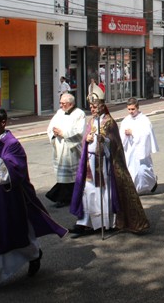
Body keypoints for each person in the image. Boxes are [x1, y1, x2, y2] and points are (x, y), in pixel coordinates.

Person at [0, 107, 67, 292]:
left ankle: (34, 254)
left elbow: (13, 172)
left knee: (14, 233)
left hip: (9, 199)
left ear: (3, 122)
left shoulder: (12, 144)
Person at [69, 99, 150, 236]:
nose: (92, 109)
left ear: (102, 107)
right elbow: (85, 138)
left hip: (104, 163)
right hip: (90, 161)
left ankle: (105, 223)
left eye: (95, 107)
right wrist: (87, 139)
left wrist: (105, 140)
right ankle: (83, 223)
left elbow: (115, 142)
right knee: (87, 191)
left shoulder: (109, 122)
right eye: (91, 107)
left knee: (103, 192)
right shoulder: (91, 121)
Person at [45, 93, 86, 208]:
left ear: (71, 104)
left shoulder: (79, 114)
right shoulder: (59, 113)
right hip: (59, 146)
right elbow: (50, 127)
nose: (61, 105)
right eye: (60, 103)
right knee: (62, 176)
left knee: (70, 176)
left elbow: (80, 132)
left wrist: (63, 133)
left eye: (63, 103)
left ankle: (65, 198)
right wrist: (54, 133)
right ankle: (64, 197)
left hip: (71, 149)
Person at [119, 98, 159, 195]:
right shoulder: (126, 120)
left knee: (143, 170)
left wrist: (133, 132)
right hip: (129, 149)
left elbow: (146, 134)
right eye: (129, 109)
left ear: (137, 107)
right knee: (131, 170)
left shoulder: (144, 120)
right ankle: (135, 189)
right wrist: (125, 134)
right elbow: (121, 134)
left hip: (141, 149)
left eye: (133, 109)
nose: (131, 111)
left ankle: (152, 182)